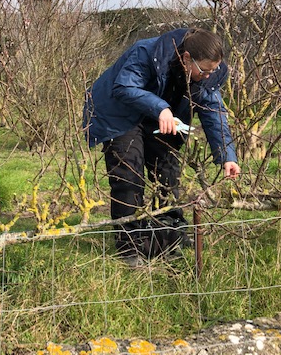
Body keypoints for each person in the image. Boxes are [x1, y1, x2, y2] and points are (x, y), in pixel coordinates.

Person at [84, 27, 241, 266]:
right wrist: (160, 108)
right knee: (129, 174)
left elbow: (213, 113)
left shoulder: (206, 74)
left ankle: (168, 235)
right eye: (204, 70)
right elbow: (124, 87)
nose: (208, 76)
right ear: (187, 58)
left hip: (160, 118)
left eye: (213, 70)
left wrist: (227, 156)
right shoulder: (147, 52)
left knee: (167, 172)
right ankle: (130, 246)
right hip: (120, 113)